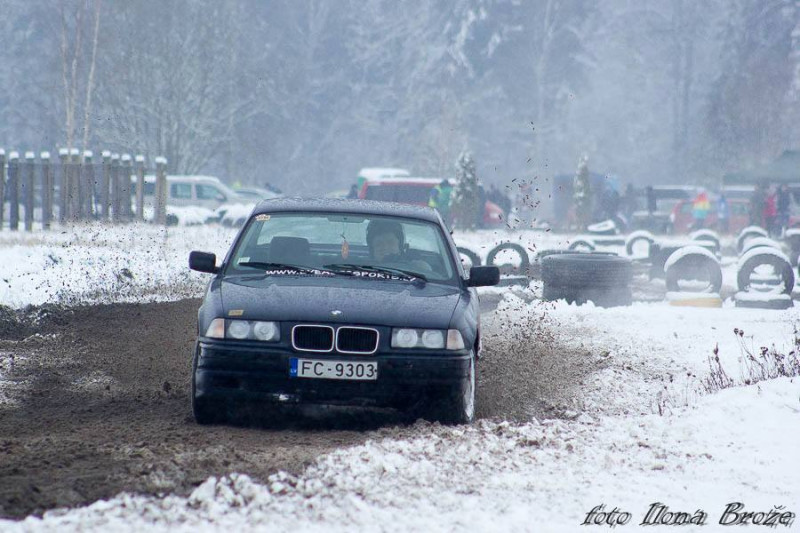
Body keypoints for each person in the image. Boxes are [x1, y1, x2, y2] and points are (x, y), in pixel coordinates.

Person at [365, 219, 432, 274]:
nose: (385, 247)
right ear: (372, 249)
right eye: (379, 244)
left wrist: (419, 267)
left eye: (390, 243)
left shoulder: (416, 267)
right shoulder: (363, 269)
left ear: (400, 246)